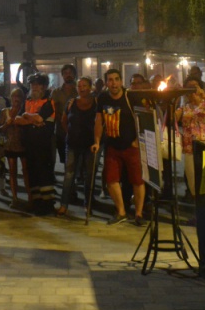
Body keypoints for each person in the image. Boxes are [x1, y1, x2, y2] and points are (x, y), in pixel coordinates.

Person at [93, 68, 146, 225]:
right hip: (112, 146)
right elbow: (98, 120)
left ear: (121, 81)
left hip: (131, 146)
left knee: (137, 180)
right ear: (106, 82)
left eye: (116, 79)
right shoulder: (102, 97)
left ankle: (138, 213)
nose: (114, 83)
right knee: (111, 180)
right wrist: (96, 140)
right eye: (110, 80)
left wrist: (137, 140)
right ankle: (121, 212)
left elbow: (141, 119)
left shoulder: (130, 97)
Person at [176, 77, 205, 198]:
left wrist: (204, 96)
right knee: (192, 181)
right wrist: (176, 96)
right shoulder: (184, 106)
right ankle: (198, 211)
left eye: (195, 86)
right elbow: (172, 119)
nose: (192, 90)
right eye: (189, 87)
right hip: (189, 147)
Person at [16, 74, 57, 215]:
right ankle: (36, 203)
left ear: (44, 87)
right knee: (32, 174)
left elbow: (40, 117)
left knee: (44, 174)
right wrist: (32, 119)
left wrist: (27, 117)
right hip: (30, 145)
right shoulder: (27, 101)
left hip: (43, 145)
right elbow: (17, 119)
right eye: (32, 84)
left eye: (38, 84)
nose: (34, 86)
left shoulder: (48, 102)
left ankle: (48, 205)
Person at [57, 76, 97, 217]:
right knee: (69, 175)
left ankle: (88, 205)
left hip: (89, 144)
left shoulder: (96, 103)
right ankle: (63, 205)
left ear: (90, 87)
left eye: (84, 85)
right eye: (79, 86)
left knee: (89, 176)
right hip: (72, 144)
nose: (81, 88)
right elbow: (64, 121)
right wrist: (70, 133)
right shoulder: (71, 102)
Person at [0, 89, 29, 207]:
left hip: (23, 144)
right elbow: (0, 130)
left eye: (18, 97)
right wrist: (7, 124)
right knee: (12, 172)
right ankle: (15, 198)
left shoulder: (25, 111)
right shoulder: (5, 112)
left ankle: (30, 197)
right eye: (14, 96)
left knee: (26, 171)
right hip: (10, 145)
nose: (16, 99)